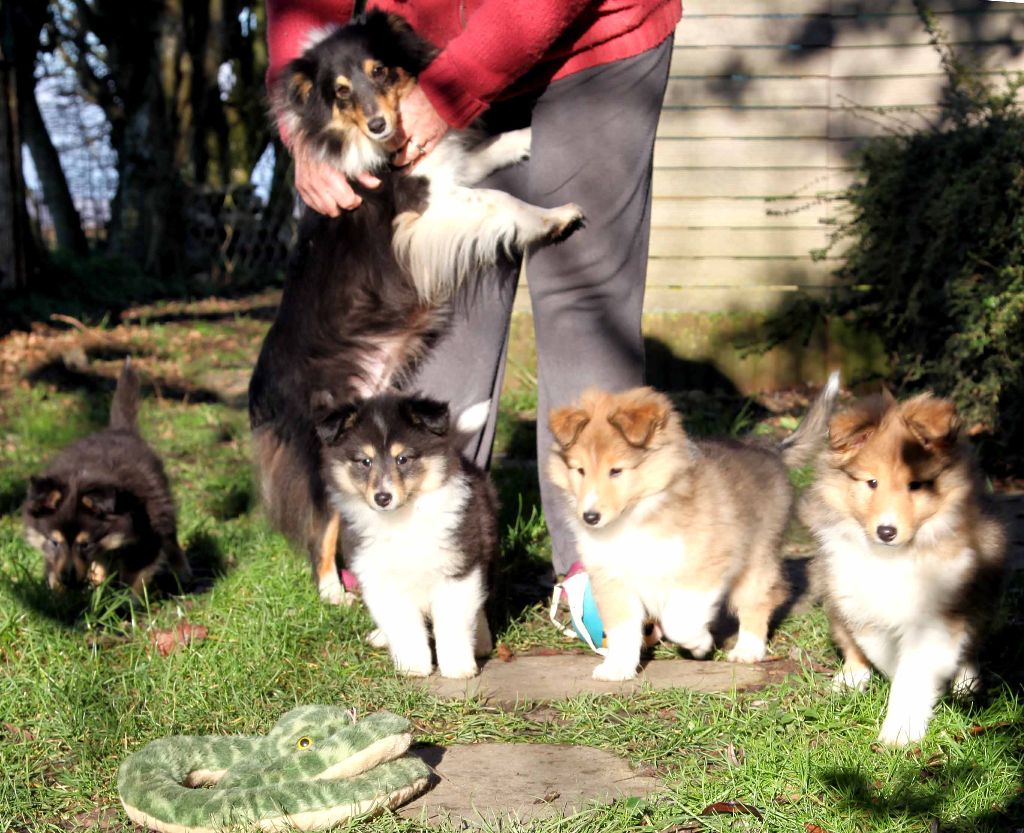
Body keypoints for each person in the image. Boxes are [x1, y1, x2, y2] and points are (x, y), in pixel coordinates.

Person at [266, 0, 680, 577]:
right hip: (429, 47)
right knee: (454, 290)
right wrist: (300, 123)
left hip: (593, 42)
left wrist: (449, 91)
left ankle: (601, 572)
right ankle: (421, 557)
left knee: (581, 287)